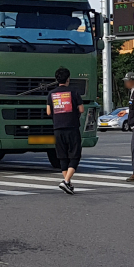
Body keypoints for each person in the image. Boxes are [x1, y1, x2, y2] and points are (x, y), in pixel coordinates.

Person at [46, 66, 84, 195]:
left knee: (62, 157)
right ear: (68, 79)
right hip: (72, 128)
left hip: (57, 128)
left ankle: (68, 183)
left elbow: (48, 112)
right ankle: (66, 181)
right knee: (75, 155)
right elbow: (81, 109)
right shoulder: (74, 92)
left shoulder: (51, 93)